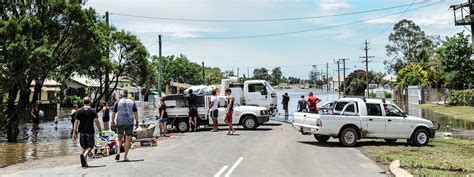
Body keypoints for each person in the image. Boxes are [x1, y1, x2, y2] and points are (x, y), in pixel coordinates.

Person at [72, 97, 102, 167]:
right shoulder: (92, 111)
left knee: (84, 147)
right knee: (90, 146)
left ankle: (85, 163)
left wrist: (74, 133)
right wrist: (100, 130)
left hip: (81, 132)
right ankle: (84, 155)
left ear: (83, 102)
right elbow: (96, 121)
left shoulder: (79, 111)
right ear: (89, 102)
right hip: (90, 131)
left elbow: (76, 122)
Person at [112, 90, 139, 162]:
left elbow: (113, 113)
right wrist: (137, 122)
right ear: (127, 95)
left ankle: (118, 152)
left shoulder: (117, 102)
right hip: (129, 122)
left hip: (120, 122)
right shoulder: (132, 102)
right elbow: (135, 113)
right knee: (128, 139)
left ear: (121, 95)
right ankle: (125, 157)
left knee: (119, 138)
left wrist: (113, 122)